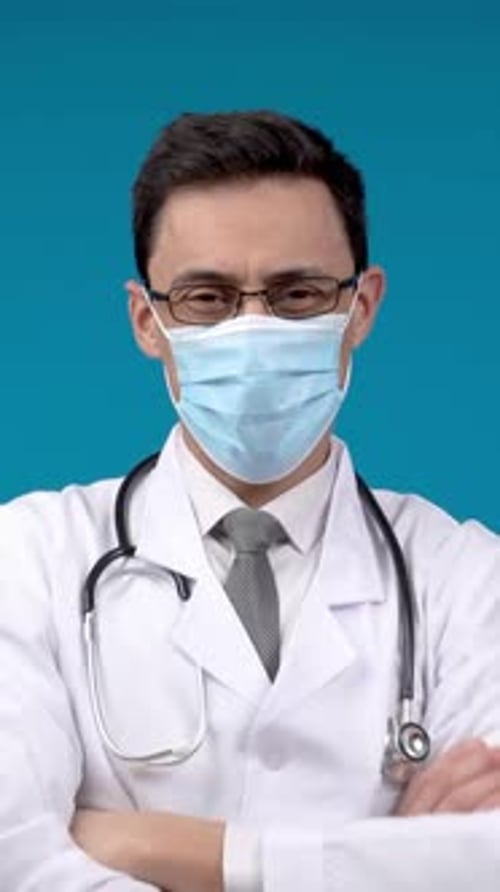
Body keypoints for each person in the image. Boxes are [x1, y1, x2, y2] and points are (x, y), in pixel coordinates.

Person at [1, 110, 500, 892]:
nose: (254, 329)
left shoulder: (470, 577)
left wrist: (171, 850)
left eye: (298, 293)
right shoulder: (27, 556)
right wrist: (385, 862)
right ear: (148, 320)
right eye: (207, 297)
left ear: (361, 307)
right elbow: (13, 858)